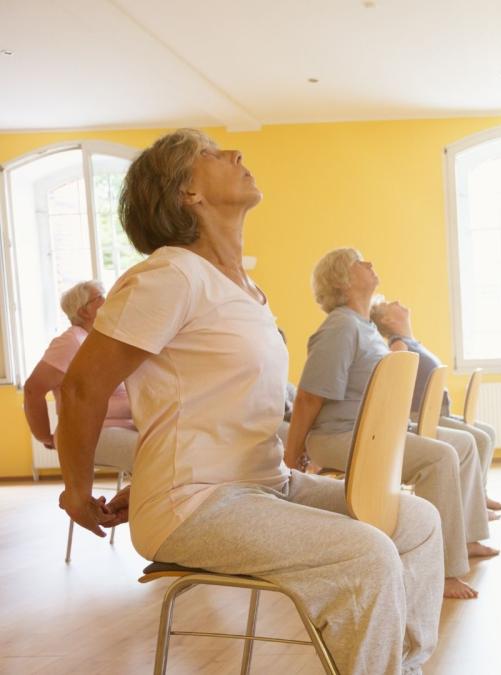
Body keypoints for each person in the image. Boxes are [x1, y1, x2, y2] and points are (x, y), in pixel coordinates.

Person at [54, 129, 443, 674]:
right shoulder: (168, 275)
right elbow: (81, 387)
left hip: (262, 485)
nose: (235, 155)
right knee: (366, 551)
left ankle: (400, 667)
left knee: (418, 521)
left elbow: (211, 405)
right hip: (195, 503)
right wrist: (76, 490)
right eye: (210, 155)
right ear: (187, 192)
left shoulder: (244, 290)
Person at [286, 248, 498, 600]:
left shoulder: (364, 327)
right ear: (342, 279)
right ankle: (441, 572)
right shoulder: (339, 326)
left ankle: (467, 537)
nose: (370, 263)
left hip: (369, 431)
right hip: (339, 434)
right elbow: (309, 397)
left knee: (461, 445)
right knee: (439, 457)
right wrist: (292, 458)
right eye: (359, 261)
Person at [369, 298, 501, 514]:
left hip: (437, 413)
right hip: (420, 415)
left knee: (486, 433)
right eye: (390, 304)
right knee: (479, 439)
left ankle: (479, 498)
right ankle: (473, 507)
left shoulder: (411, 341)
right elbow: (395, 382)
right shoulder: (398, 344)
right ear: (388, 319)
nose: (397, 301)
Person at [23, 281, 136, 474]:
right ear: (84, 312)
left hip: (120, 426)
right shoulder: (71, 341)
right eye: (101, 296)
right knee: (159, 454)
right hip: (90, 432)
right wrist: (45, 437)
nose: (108, 299)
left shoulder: (96, 340)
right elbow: (33, 389)